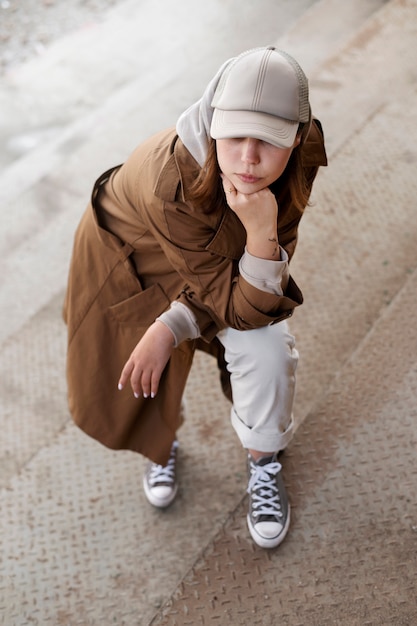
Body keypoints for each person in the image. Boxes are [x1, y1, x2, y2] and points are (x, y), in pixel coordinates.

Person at [64, 46, 327, 549]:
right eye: (234, 135)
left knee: (268, 347)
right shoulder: (171, 180)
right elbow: (221, 293)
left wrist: (261, 233)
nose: (248, 159)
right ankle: (156, 443)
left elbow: (243, 307)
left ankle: (263, 460)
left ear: (296, 138)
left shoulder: (303, 155)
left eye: (268, 141)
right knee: (137, 361)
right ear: (212, 121)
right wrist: (167, 326)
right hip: (131, 253)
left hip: (234, 249)